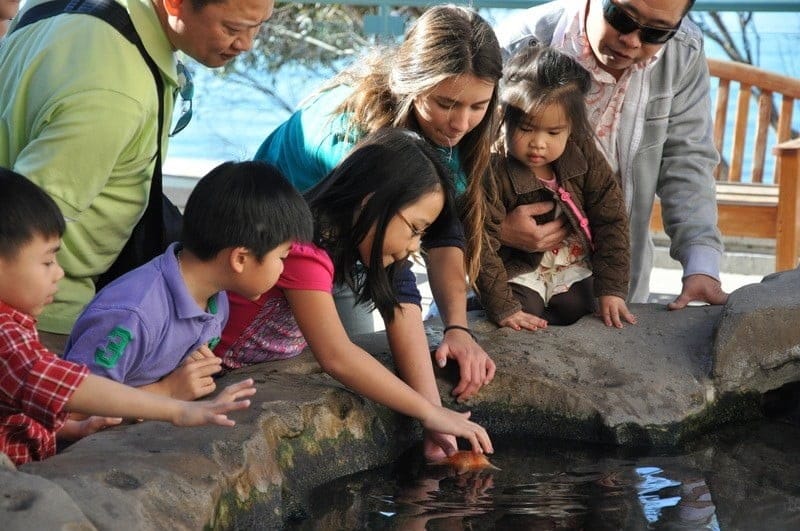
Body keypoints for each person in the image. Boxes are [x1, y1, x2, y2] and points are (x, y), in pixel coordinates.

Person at [253, 4, 501, 401]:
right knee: (344, 369)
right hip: (275, 246)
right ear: (410, 82)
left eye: (478, 106)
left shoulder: (449, 133)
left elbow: (442, 233)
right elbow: (394, 270)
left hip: (348, 248)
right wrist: (431, 411)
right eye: (446, 103)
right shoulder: (350, 137)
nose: (460, 123)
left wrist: (458, 329)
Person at [0, 0, 276, 353]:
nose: (247, 44)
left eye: (260, 26)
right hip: (40, 317)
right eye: (233, 29)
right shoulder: (115, 93)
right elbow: (19, 227)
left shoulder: (68, 9)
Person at [217, 129, 494, 460]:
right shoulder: (301, 247)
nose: (415, 245)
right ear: (371, 202)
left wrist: (435, 421)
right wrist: (429, 413)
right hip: (213, 370)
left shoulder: (359, 234)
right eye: (415, 229)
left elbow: (401, 303)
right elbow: (337, 356)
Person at [0, 168, 257, 466]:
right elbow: (74, 388)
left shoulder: (14, 322)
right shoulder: (6, 337)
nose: (59, 273)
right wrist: (175, 407)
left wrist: (72, 429)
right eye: (47, 261)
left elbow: (20, 404)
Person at [494, 0, 728, 309]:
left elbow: (687, 162)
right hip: (501, 279)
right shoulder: (515, 45)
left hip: (613, 285)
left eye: (656, 33)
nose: (632, 40)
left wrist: (702, 266)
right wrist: (494, 230)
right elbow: (449, 159)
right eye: (621, 17)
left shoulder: (683, 52)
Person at [63, 161, 312, 403]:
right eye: (282, 256)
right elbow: (72, 407)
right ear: (240, 258)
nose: (283, 268)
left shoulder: (216, 301)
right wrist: (167, 391)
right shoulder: (133, 315)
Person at [469, 43, 636, 331]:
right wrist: (503, 308)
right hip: (516, 267)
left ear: (572, 128)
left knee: (583, 306)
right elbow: (481, 245)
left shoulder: (583, 156)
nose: (539, 143)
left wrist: (612, 289)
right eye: (526, 128)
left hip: (570, 263)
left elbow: (611, 219)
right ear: (503, 118)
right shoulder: (493, 168)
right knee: (523, 312)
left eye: (553, 132)